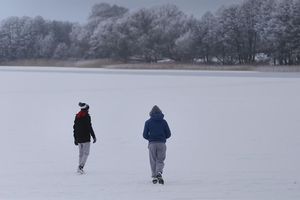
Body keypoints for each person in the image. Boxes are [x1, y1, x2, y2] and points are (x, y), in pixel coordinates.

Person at [143, 105, 171, 184]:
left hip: (152, 144)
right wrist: (162, 138)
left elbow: (144, 135)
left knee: (153, 160)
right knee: (160, 160)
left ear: (151, 113)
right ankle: (159, 172)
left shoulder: (148, 122)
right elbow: (168, 134)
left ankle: (154, 176)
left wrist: (150, 138)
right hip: (162, 144)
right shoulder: (164, 122)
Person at [73, 102, 96, 174]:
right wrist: (94, 136)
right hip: (85, 138)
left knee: (81, 154)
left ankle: (79, 167)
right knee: (86, 153)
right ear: (86, 109)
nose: (88, 110)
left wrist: (75, 138)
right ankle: (80, 167)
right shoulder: (87, 116)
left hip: (79, 138)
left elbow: (75, 128)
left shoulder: (77, 116)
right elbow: (89, 127)